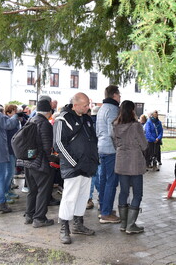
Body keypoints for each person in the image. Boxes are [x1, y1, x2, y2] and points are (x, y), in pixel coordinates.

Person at [53, 92, 99, 244]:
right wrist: (73, 163)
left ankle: (78, 224)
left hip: (87, 165)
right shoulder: (63, 119)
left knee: (83, 196)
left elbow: (92, 140)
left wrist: (93, 160)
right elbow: (59, 144)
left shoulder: (86, 119)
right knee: (69, 197)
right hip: (73, 167)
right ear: (76, 105)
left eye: (88, 104)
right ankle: (64, 227)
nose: (88, 107)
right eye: (85, 105)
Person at [17, 100, 55, 227]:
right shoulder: (44, 123)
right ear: (48, 111)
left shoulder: (31, 120)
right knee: (43, 190)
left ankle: (29, 215)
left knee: (32, 190)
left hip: (28, 161)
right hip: (40, 163)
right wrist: (53, 160)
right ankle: (39, 218)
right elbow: (47, 147)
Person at [112, 100, 148, 234]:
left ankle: (123, 223)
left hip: (121, 161)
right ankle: (131, 225)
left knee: (124, 192)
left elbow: (115, 143)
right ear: (132, 110)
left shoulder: (115, 125)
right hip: (135, 163)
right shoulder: (136, 126)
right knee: (137, 193)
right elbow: (144, 145)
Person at [96, 85, 121, 224]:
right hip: (111, 149)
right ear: (115, 95)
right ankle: (106, 213)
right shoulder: (113, 109)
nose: (120, 97)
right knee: (112, 181)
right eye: (119, 95)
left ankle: (104, 208)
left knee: (104, 180)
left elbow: (98, 129)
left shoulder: (101, 108)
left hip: (102, 147)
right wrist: (119, 145)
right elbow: (113, 131)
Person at [3, 104, 21, 203]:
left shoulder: (12, 121)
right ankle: (5, 193)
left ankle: (8, 190)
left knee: (10, 173)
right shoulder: (7, 121)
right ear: (9, 112)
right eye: (15, 111)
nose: (16, 113)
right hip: (8, 151)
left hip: (12, 150)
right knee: (8, 173)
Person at [87, 105, 101, 210]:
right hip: (100, 152)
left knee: (91, 177)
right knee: (99, 176)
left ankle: (89, 199)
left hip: (89, 154)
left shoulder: (87, 122)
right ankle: (101, 197)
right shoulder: (101, 123)